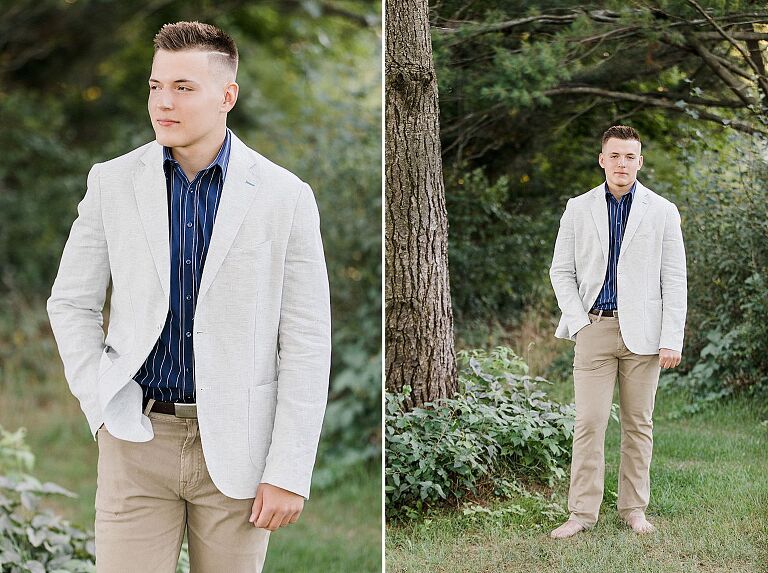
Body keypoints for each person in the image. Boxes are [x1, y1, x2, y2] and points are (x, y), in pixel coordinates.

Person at [46, 21, 331, 571]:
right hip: (136, 435)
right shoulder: (111, 181)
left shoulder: (285, 196)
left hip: (240, 447)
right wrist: (100, 401)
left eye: (183, 87)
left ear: (227, 96)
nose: (162, 102)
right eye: (156, 86)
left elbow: (306, 341)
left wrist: (289, 469)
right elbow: (71, 303)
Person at [548, 125, 686, 538]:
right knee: (589, 422)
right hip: (594, 328)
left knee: (638, 424)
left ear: (639, 162)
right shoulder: (578, 208)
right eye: (615, 156)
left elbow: (674, 279)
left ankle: (633, 509)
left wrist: (670, 338)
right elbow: (562, 270)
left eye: (630, 156)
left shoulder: (662, 211)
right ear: (602, 159)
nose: (622, 163)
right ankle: (581, 514)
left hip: (644, 336)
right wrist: (577, 321)